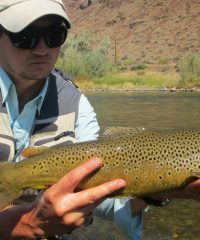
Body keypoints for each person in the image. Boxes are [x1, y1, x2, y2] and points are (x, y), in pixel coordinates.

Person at [0, 1, 200, 240]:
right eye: (26, 36)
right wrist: (26, 224)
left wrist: (158, 191)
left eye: (54, 35)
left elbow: (102, 201)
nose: (42, 49)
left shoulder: (77, 105)